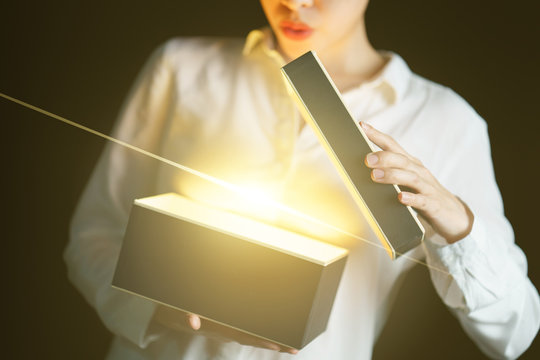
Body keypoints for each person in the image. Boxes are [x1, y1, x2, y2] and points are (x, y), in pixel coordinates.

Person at [65, 0, 540, 358]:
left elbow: (516, 332)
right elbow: (94, 237)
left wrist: (454, 221)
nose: (294, 2)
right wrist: (158, 311)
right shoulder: (182, 68)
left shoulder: (444, 122)